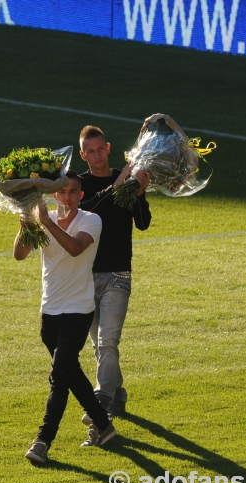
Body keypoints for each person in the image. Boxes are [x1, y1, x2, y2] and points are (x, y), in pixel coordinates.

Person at [16, 171, 116, 465]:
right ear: (55, 194)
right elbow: (20, 254)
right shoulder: (42, 220)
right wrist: (26, 225)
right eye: (63, 192)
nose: (68, 196)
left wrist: (46, 223)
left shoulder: (90, 221)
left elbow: (74, 248)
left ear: (80, 195)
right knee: (70, 372)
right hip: (49, 312)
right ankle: (104, 426)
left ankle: (42, 441)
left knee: (59, 377)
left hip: (78, 310)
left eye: (74, 192)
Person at [77, 125, 151, 423]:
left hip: (118, 274)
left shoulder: (128, 179)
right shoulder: (79, 185)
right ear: (83, 155)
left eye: (100, 149)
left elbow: (143, 223)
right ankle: (117, 393)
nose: (97, 156)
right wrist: (117, 185)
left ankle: (101, 400)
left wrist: (139, 194)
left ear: (108, 148)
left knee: (108, 341)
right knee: (99, 344)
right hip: (84, 276)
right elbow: (86, 212)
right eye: (90, 152)